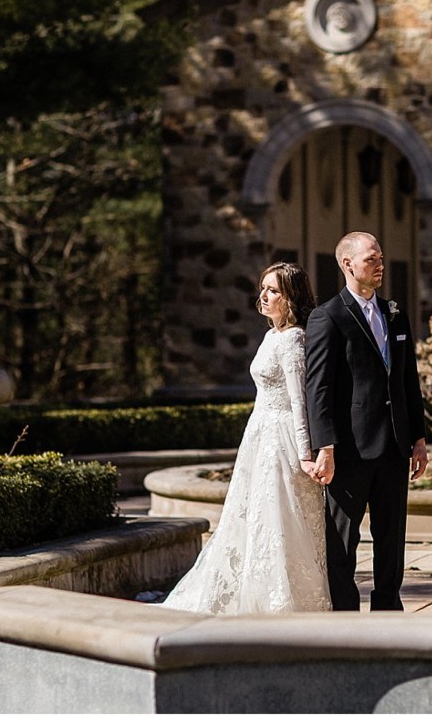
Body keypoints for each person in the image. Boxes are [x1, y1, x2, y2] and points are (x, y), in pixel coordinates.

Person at [160, 262, 331, 614]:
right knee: (254, 518)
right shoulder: (272, 336)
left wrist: (304, 453)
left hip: (282, 440)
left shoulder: (294, 340)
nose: (264, 296)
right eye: (263, 288)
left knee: (282, 519)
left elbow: (301, 402)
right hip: (259, 435)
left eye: (273, 291)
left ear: (291, 299)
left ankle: (284, 599)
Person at [305, 231, 428, 611]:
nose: (380, 264)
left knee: (392, 537)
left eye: (380, 258)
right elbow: (319, 389)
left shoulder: (396, 313)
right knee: (342, 541)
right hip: (350, 449)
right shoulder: (327, 317)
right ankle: (345, 613)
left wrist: (418, 439)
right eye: (371, 258)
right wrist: (324, 447)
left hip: (394, 446)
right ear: (348, 264)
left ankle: (388, 608)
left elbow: (409, 380)